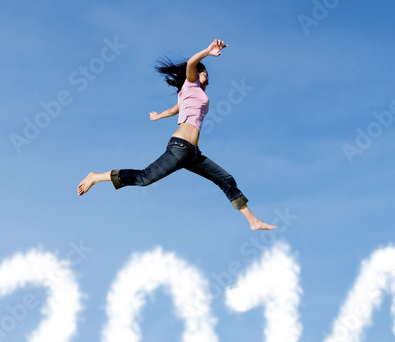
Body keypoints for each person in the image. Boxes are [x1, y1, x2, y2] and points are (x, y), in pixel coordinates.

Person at [77, 39, 277, 231]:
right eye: (206, 74)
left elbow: (174, 110)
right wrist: (208, 52)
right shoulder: (190, 85)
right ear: (197, 74)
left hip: (192, 154)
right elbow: (192, 62)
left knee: (226, 179)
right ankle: (96, 176)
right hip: (179, 148)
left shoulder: (187, 93)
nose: (208, 79)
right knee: (143, 178)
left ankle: (253, 221)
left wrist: (157, 117)